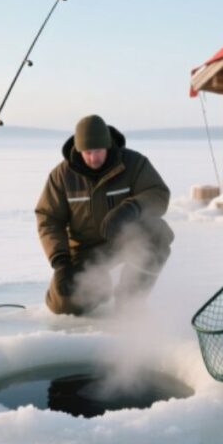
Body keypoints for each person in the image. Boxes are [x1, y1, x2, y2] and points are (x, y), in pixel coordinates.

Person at [36, 114, 174, 315]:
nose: (94, 158)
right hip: (84, 252)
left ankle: (130, 299)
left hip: (125, 241)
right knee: (64, 305)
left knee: (158, 233)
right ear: (79, 149)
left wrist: (131, 208)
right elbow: (48, 219)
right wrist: (61, 263)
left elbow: (159, 194)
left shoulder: (134, 163)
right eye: (88, 152)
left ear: (108, 145)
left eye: (99, 151)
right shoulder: (62, 176)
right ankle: (99, 290)